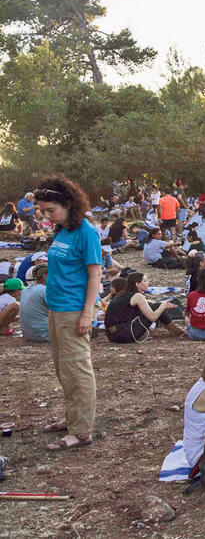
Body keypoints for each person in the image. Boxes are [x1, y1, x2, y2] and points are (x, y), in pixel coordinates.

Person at [33, 176, 101, 451]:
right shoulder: (63, 230)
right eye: (43, 211)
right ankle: (73, 419)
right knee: (64, 370)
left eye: (51, 210)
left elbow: (95, 274)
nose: (47, 216)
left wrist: (87, 313)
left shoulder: (86, 232)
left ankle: (82, 431)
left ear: (68, 204)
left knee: (78, 371)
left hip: (74, 311)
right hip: (57, 310)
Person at [104, 272, 186, 342]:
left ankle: (177, 330)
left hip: (112, 335)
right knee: (157, 307)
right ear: (137, 284)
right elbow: (152, 317)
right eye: (145, 281)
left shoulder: (123, 294)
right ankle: (178, 331)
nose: (148, 283)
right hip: (123, 334)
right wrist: (163, 306)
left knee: (155, 306)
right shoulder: (137, 296)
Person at [19, 264, 49, 342]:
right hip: (44, 334)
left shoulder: (25, 290)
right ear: (45, 276)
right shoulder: (45, 290)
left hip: (28, 334)